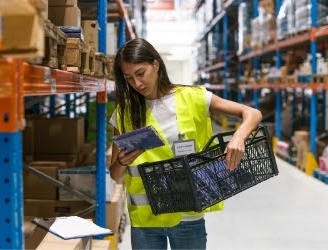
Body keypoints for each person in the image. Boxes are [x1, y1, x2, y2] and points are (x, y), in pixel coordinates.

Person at [108, 38, 262, 250]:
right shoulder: (124, 113)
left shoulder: (194, 97)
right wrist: (122, 161)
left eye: (140, 73)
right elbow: (115, 175)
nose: (137, 84)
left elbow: (252, 113)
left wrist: (238, 137)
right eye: (129, 78)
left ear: (156, 64)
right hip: (145, 221)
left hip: (187, 215)